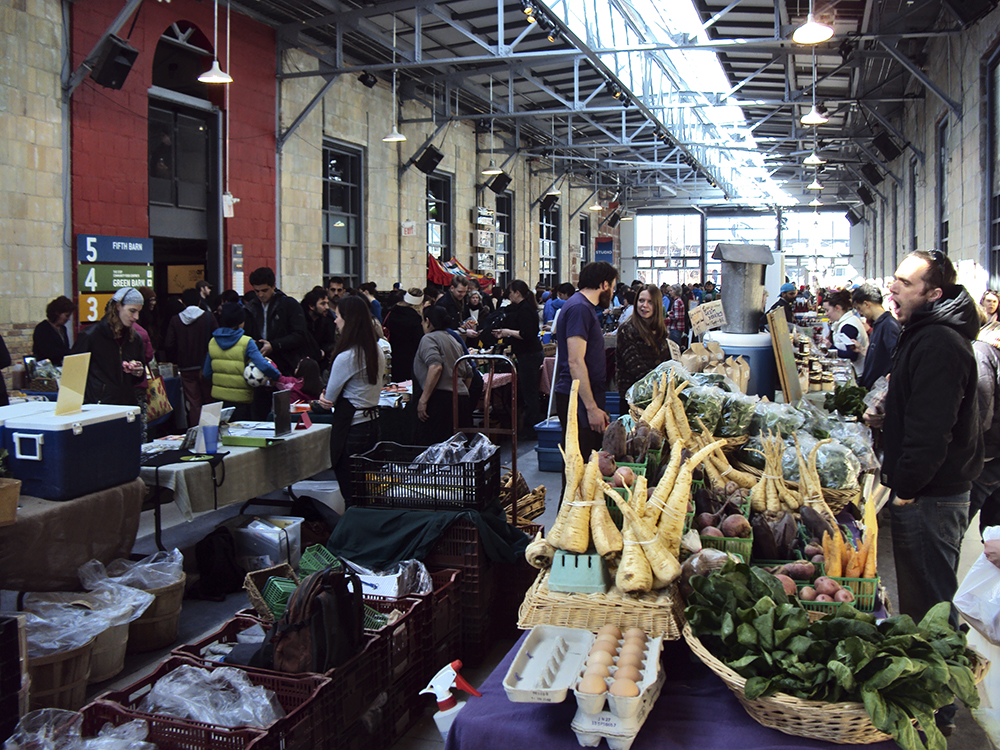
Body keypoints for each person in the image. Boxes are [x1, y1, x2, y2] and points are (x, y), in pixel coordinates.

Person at [866, 250, 983, 735]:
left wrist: (908, 487)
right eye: (894, 280)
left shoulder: (937, 342)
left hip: (931, 496)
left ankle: (938, 714)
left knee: (931, 606)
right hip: (929, 490)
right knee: (920, 602)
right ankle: (927, 704)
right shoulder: (926, 333)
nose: (892, 288)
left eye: (905, 283)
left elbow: (933, 428)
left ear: (934, 294)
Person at [315, 295, 385, 501]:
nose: (335, 320)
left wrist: (322, 397)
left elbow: (329, 398)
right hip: (372, 424)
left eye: (337, 316)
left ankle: (354, 530)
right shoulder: (376, 350)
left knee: (352, 492)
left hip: (352, 428)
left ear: (348, 319)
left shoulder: (347, 356)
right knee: (366, 490)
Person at [554, 261, 618, 469]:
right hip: (578, 398)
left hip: (583, 394)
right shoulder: (580, 308)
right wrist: (591, 408)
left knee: (586, 466)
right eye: (613, 286)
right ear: (605, 285)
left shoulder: (583, 307)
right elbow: (575, 360)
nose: (613, 292)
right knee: (579, 468)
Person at [202, 302, 280, 421]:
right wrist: (276, 375)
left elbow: (207, 373)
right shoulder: (246, 342)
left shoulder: (212, 342)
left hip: (219, 400)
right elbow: (262, 365)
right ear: (241, 322)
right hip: (241, 400)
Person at [71, 287, 146, 406]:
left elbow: (138, 377)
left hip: (126, 404)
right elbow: (73, 374)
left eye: (138, 312)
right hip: (98, 405)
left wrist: (138, 372)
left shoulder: (135, 339)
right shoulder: (91, 336)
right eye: (132, 311)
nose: (136, 317)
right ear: (118, 306)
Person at [413, 305, 475, 446]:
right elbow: (469, 372)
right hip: (460, 399)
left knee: (438, 452)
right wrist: (459, 391)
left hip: (440, 402)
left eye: (423, 321)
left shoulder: (429, 339)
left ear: (428, 321)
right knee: (459, 450)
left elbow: (435, 367)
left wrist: (423, 400)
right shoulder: (453, 339)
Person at [496, 280, 544, 439]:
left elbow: (526, 334)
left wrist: (507, 331)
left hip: (529, 355)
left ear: (517, 293)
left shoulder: (525, 310)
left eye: (510, 293)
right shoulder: (524, 308)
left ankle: (532, 429)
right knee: (528, 391)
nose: (509, 296)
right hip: (528, 354)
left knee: (529, 392)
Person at [164, 288, 218, 428]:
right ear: (199, 301)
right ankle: (211, 431)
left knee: (194, 403)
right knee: (209, 401)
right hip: (205, 366)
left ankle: (196, 434)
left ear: (183, 302)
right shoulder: (208, 317)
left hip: (186, 366)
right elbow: (216, 340)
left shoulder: (176, 320)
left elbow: (168, 344)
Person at [969, 316, 1000, 539]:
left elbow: (981, 416)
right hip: (991, 456)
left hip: (987, 459)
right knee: (993, 532)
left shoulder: (982, 350)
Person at [616, 284, 671, 403]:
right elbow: (636, 366)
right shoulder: (627, 329)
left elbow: (666, 362)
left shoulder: (660, 330)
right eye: (641, 300)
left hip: (657, 396)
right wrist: (661, 385)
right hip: (634, 397)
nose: (644, 305)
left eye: (650, 302)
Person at [852, 283, 900, 389]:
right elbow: (880, 356)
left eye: (859, 308)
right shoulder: (879, 324)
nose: (860, 313)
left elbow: (897, 361)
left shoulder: (889, 326)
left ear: (867, 304)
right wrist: (862, 349)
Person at [823, 288, 868, 380]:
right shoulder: (846, 322)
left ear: (837, 308)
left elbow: (852, 355)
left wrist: (830, 347)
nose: (826, 314)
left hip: (858, 373)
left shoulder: (848, 326)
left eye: (827, 310)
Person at [381, 287, 424, 382]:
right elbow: (418, 340)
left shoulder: (392, 312)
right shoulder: (416, 318)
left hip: (393, 354)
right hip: (411, 357)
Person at [301, 287, 337, 370]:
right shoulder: (301, 322)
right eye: (322, 304)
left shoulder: (327, 320)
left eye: (327, 303)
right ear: (311, 306)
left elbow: (330, 342)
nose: (327, 307)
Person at [33, 296, 75, 366]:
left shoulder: (63, 329)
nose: (68, 319)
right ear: (57, 313)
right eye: (66, 316)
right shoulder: (42, 329)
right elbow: (47, 351)